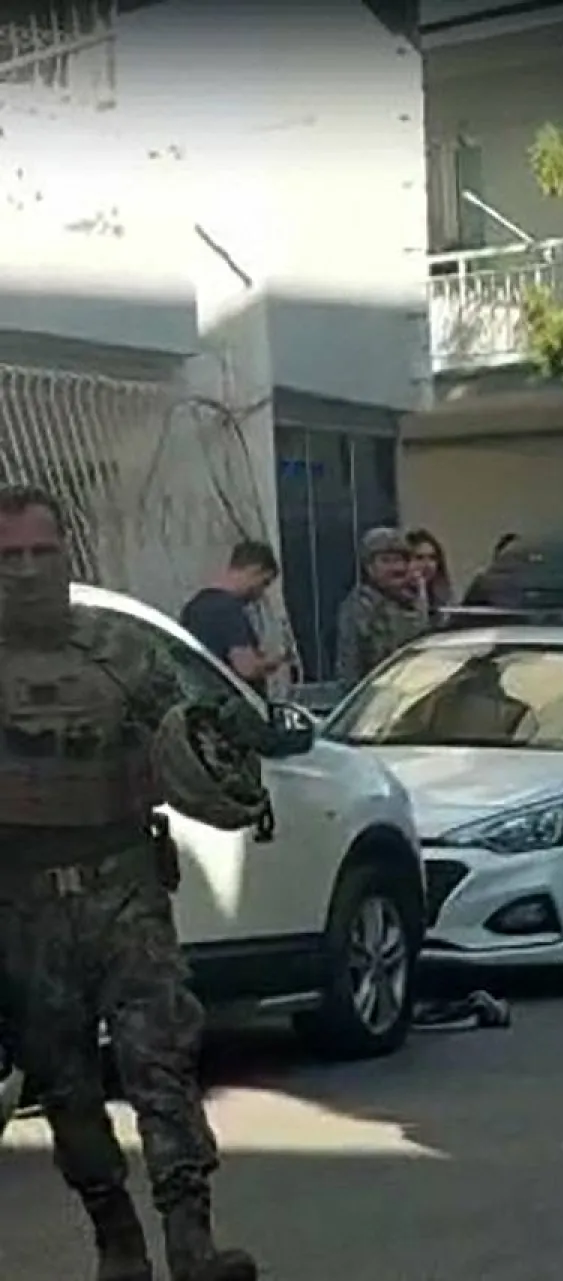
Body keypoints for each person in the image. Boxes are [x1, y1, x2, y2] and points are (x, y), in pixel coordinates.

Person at [0, 483, 273, 1281]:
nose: (24, 570)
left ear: (66, 555)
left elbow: (211, 729)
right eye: (6, 556)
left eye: (40, 553)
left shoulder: (121, 651)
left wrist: (231, 755)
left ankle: (192, 1242)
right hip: (19, 908)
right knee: (66, 1085)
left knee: (163, 1062)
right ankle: (117, 1240)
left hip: (125, 891)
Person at [179, 541, 284, 695]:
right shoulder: (229, 610)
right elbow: (247, 668)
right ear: (254, 570)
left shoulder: (194, 606)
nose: (261, 593)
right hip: (232, 707)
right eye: (264, 582)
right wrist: (276, 660)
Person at [334, 527, 427, 689]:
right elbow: (350, 669)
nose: (396, 568)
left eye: (399, 560)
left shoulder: (415, 600)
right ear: (369, 567)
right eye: (386, 561)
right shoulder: (360, 607)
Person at [407, 528, 452, 625]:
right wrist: (421, 592)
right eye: (419, 558)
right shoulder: (398, 598)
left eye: (432, 558)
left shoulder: (443, 595)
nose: (427, 565)